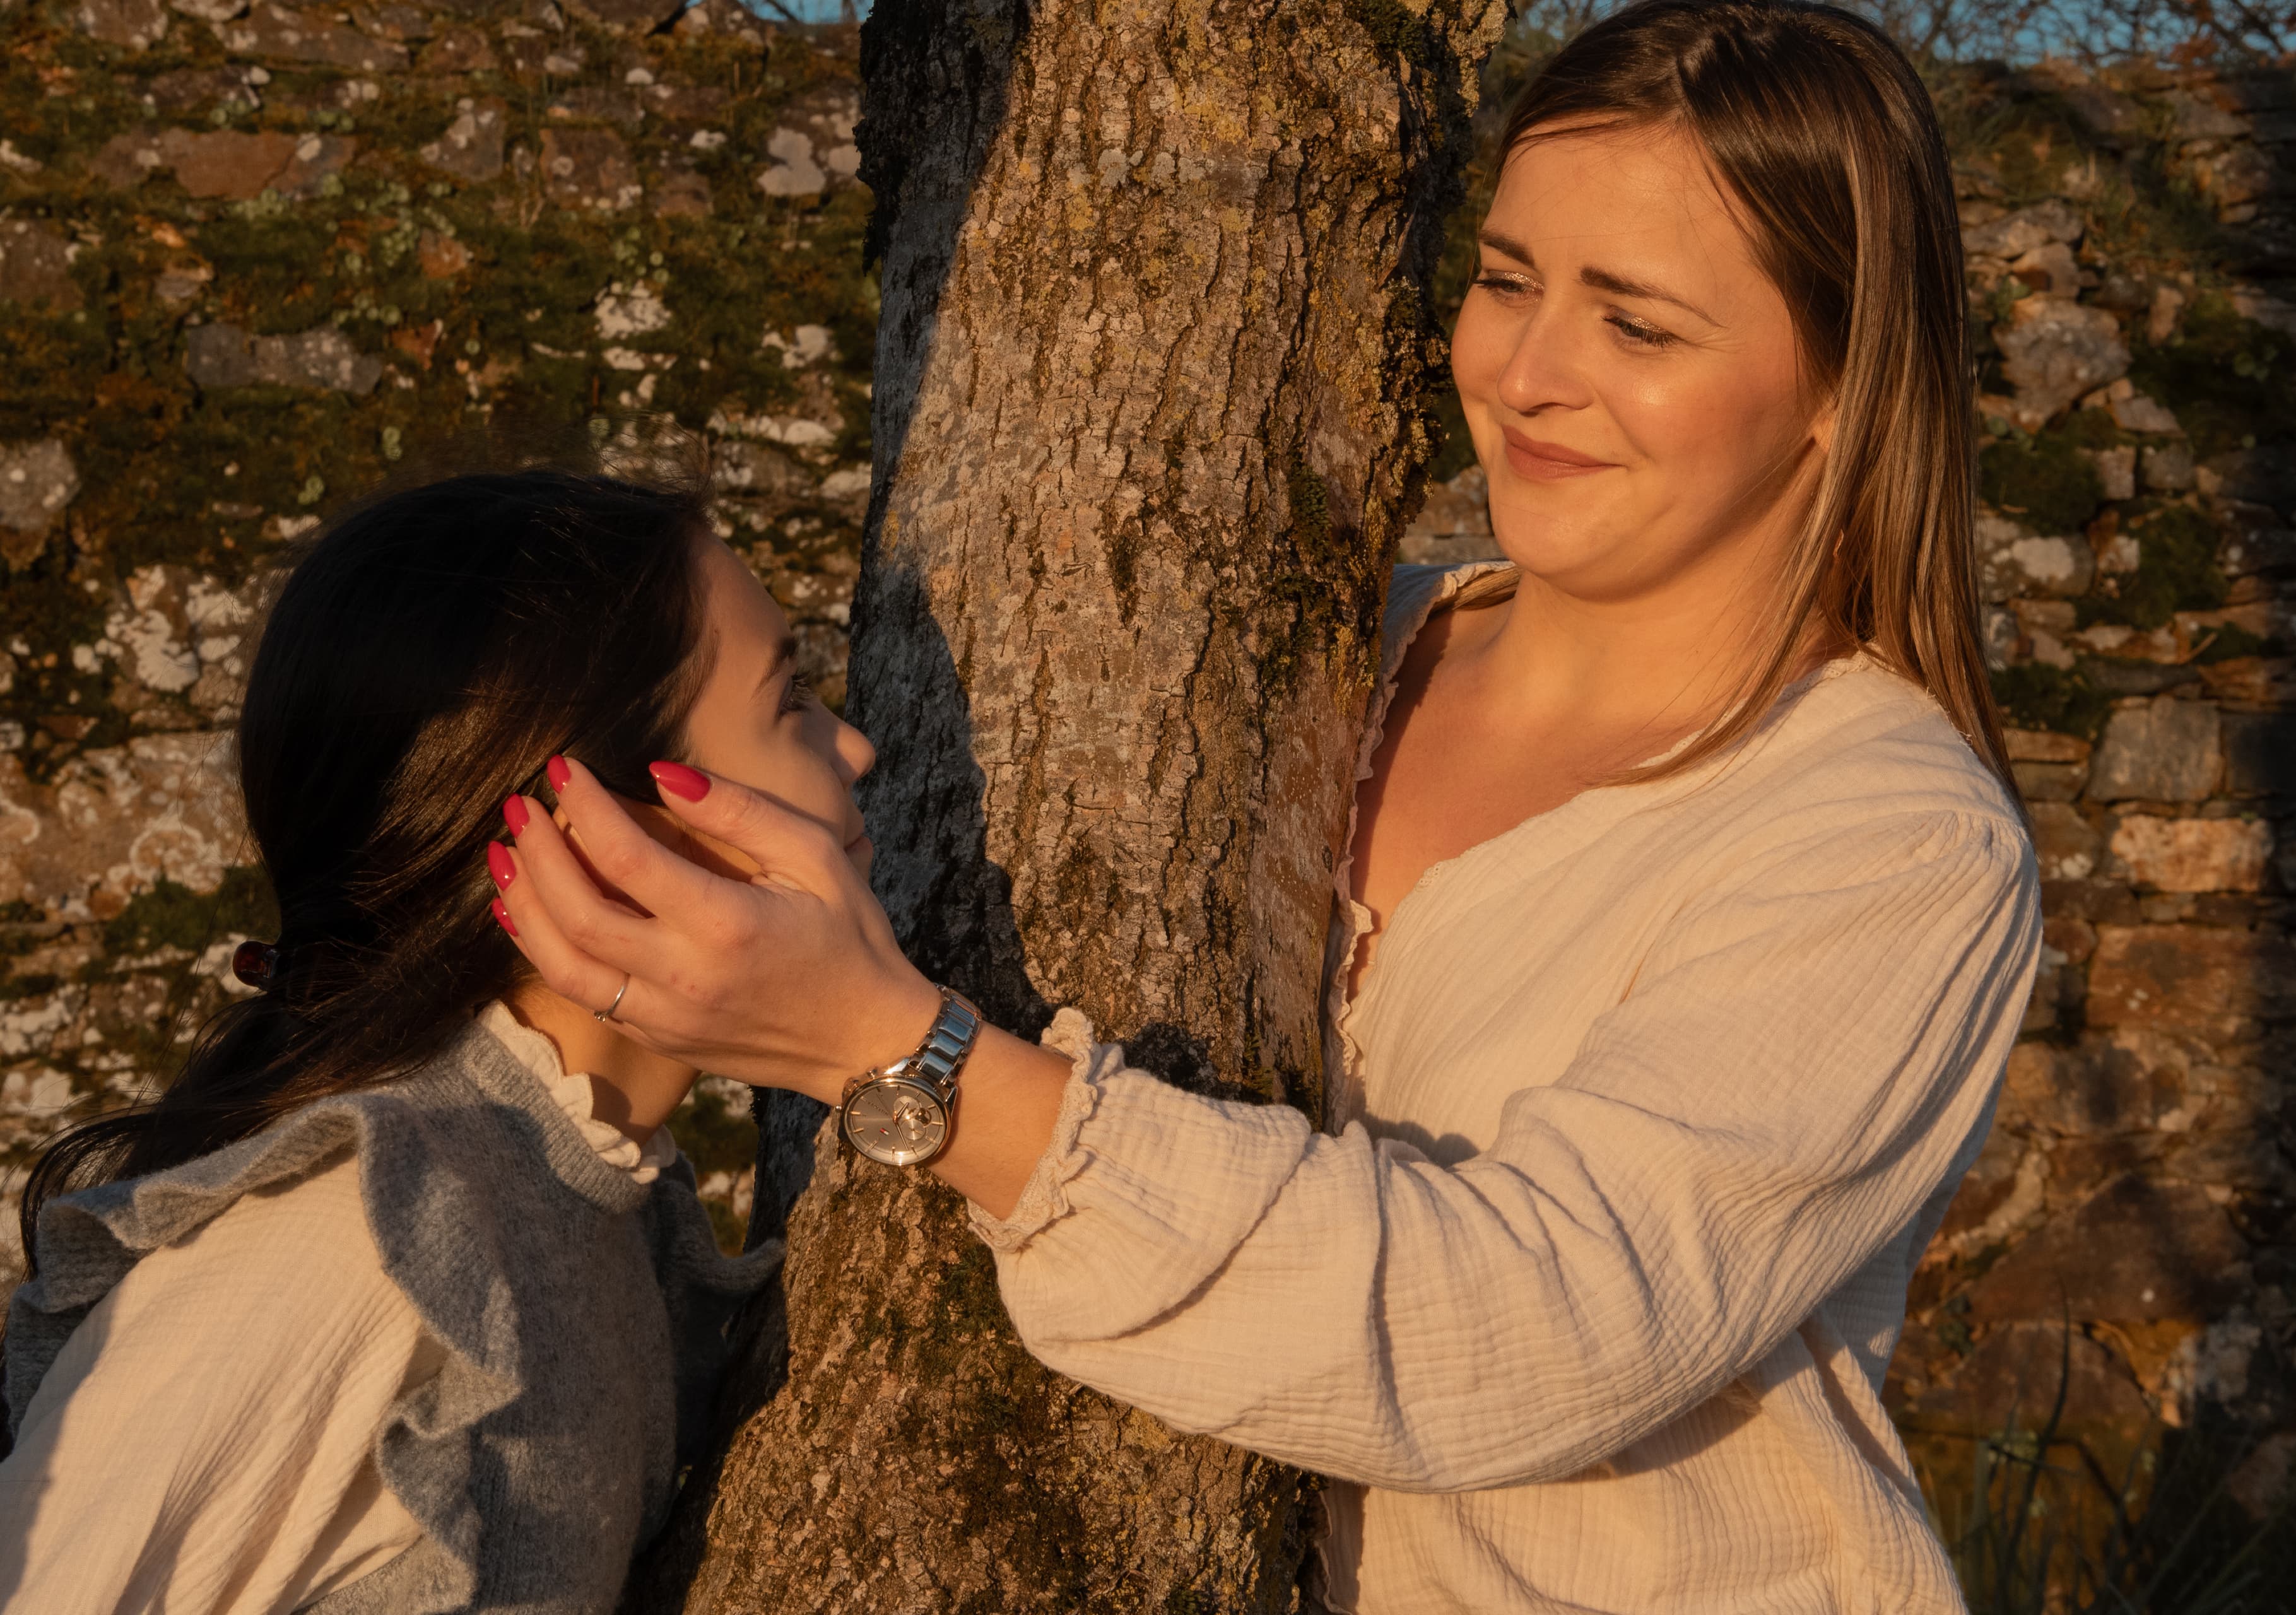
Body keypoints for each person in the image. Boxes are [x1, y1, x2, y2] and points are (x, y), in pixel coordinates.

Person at [493, 3, 2040, 1609]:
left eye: (1637, 325)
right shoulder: (1308, 636)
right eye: (1507, 278)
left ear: (1840, 388)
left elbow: (1527, 1328)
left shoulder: (1890, 837)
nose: (1524, 372)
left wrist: (904, 1056)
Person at [0, 466, 878, 1612]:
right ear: (602, 824)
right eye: (790, 699)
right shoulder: (364, 1236)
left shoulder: (596, 1202)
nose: (855, 748)